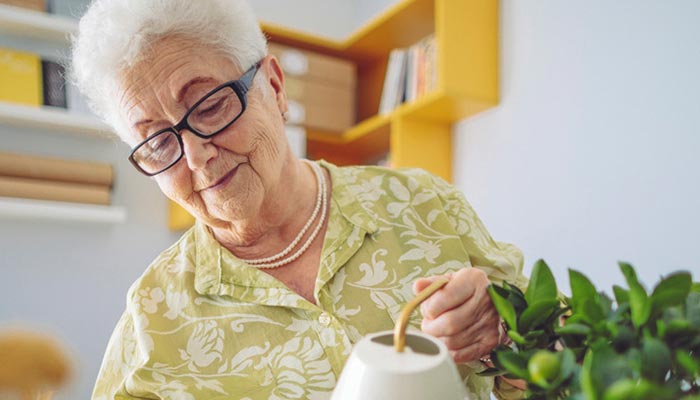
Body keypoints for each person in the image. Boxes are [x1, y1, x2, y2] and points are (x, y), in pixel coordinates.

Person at [71, 1, 528, 399]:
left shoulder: (425, 205)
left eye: (210, 106)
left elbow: (575, 361)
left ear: (274, 86)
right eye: (158, 144)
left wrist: (506, 331)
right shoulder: (154, 314)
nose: (196, 156)